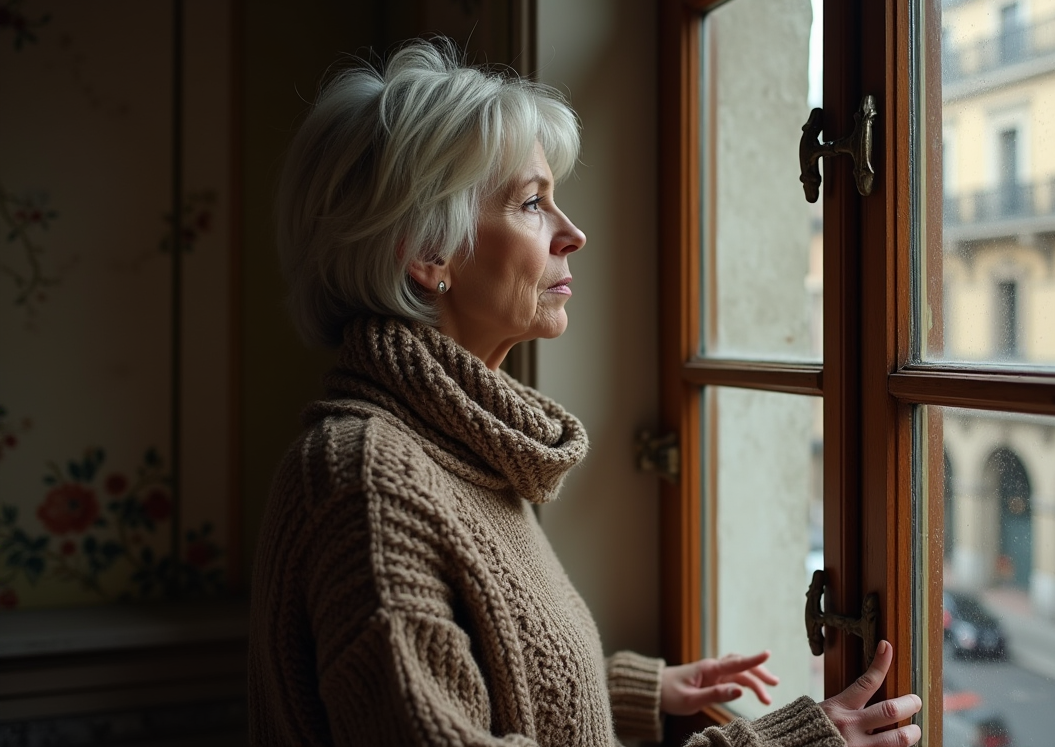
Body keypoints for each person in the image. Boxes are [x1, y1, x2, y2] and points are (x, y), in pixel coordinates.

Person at [248, 38, 922, 747]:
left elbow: (474, 677)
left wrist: (626, 690)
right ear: (426, 252)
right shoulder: (369, 480)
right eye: (531, 202)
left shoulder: (452, 449)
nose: (573, 233)